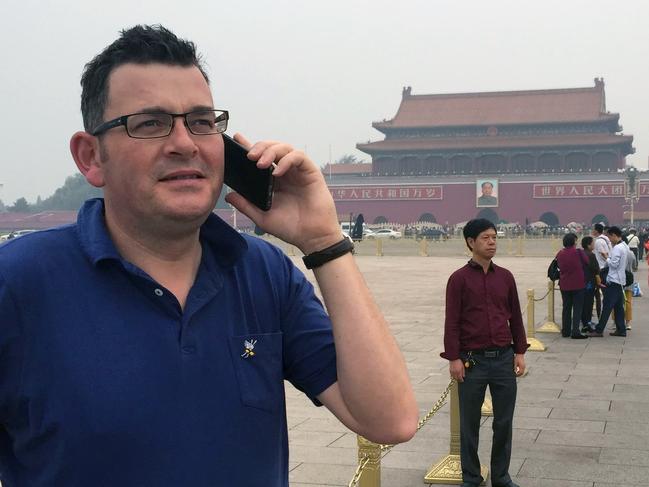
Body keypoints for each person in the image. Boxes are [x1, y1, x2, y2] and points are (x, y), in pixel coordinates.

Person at [0, 25, 418, 486]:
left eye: (201, 121)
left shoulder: (263, 274)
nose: (185, 143)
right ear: (91, 157)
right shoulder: (19, 282)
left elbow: (389, 420)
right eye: (150, 123)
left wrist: (324, 243)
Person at [442, 218, 527, 487]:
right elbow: (452, 321)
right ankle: (471, 477)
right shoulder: (458, 279)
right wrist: (454, 357)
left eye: (494, 237)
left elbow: (515, 316)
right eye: (485, 238)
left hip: (503, 359)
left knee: (503, 423)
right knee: (469, 425)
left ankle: (501, 477)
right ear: (470, 242)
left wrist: (520, 351)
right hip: (472, 362)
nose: (492, 242)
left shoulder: (506, 277)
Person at [589, 226, 628, 337]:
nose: (609, 240)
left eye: (610, 237)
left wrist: (607, 258)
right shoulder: (624, 246)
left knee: (607, 306)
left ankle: (599, 330)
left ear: (614, 235)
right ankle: (621, 329)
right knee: (618, 307)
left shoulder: (617, 248)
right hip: (620, 280)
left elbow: (614, 264)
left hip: (614, 280)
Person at [555, 233, 589, 339]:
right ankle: (575, 331)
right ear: (574, 241)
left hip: (564, 284)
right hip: (578, 284)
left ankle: (566, 331)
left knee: (566, 308)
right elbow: (587, 262)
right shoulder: (579, 252)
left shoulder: (560, 253)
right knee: (577, 308)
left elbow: (558, 266)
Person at [580, 236, 600, 333]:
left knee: (583, 303)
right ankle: (587, 323)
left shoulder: (580, 254)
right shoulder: (591, 255)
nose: (594, 244)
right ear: (588, 245)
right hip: (590, 283)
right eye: (593, 243)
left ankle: (583, 322)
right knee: (589, 303)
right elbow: (596, 269)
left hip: (581, 282)